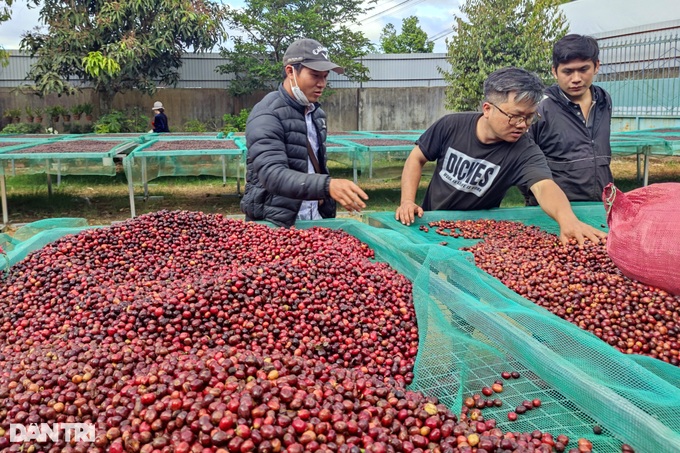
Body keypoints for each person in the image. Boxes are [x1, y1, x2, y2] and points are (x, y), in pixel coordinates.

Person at [395, 66, 606, 246]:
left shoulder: (524, 150)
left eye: (530, 117)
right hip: (430, 220)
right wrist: (407, 201)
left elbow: (544, 186)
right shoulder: (451, 125)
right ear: (487, 109)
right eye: (514, 116)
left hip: (473, 234)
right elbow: (417, 158)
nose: (522, 125)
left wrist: (566, 218)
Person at [240, 38, 368, 227]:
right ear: (290, 71)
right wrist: (327, 186)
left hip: (314, 218)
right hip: (277, 223)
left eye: (325, 76)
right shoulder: (267, 114)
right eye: (315, 75)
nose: (322, 83)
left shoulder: (316, 113)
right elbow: (271, 174)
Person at [523, 34, 613, 206]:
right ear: (554, 71)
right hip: (555, 210)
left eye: (583, 69)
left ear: (596, 66)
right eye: (568, 71)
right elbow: (521, 159)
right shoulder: (540, 108)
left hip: (600, 205)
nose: (576, 79)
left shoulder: (604, 99)